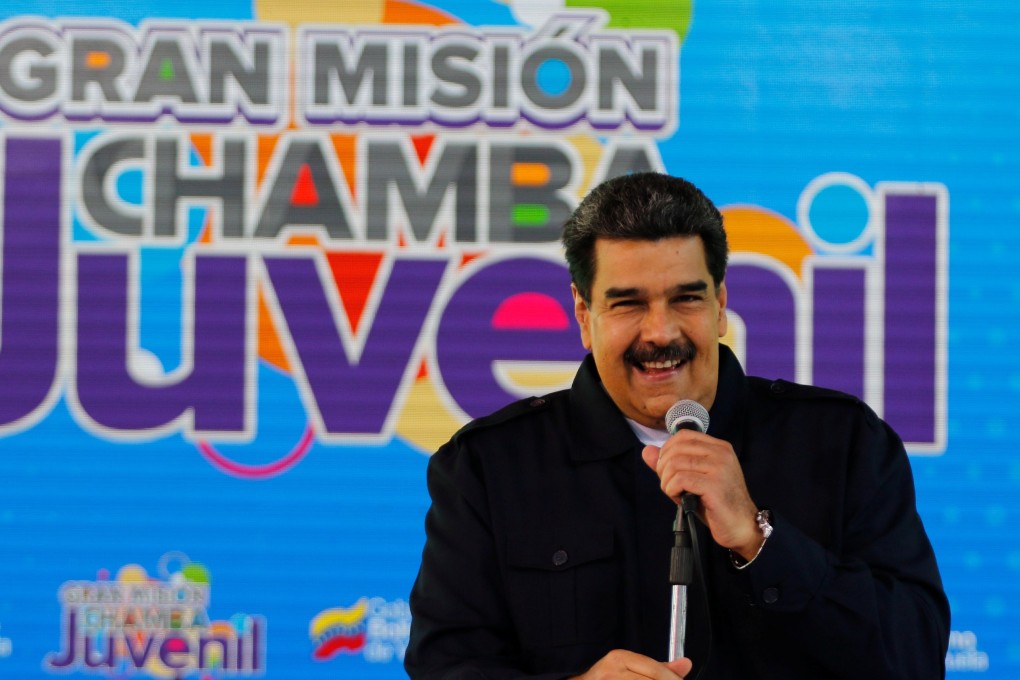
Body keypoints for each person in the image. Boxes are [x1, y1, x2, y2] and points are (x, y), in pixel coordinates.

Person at [405, 173, 950, 679]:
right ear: (582, 315)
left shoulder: (845, 443)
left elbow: (915, 655)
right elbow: (445, 665)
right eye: (627, 303)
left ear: (720, 305)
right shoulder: (488, 467)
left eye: (686, 298)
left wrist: (760, 538)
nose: (661, 332)